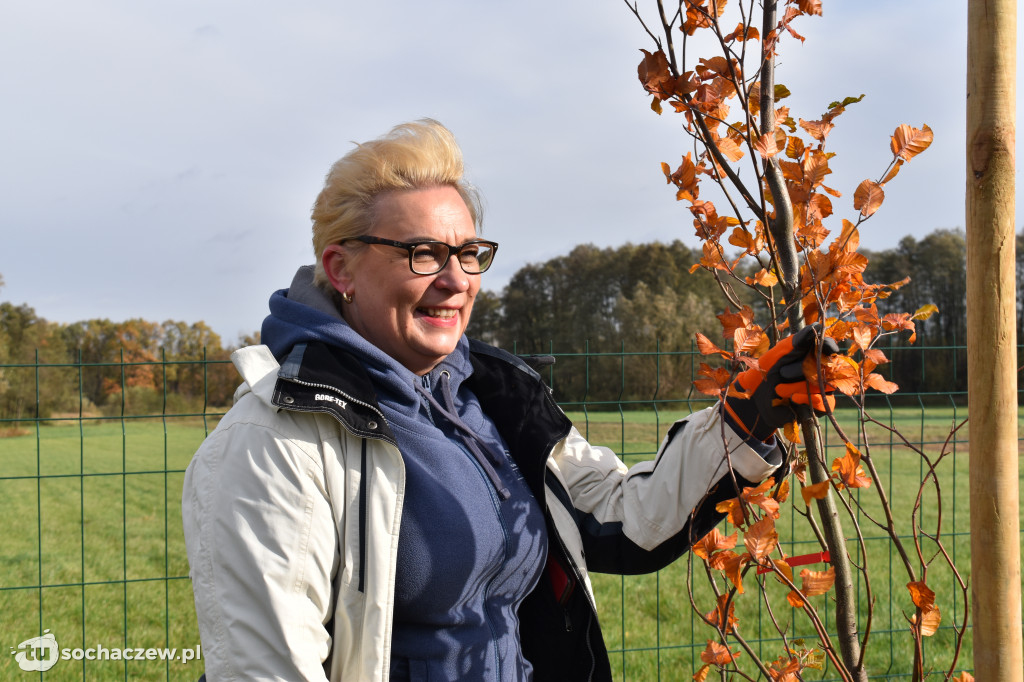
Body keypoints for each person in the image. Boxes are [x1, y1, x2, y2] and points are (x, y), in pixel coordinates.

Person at [181, 119, 835, 681]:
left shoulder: (491, 395)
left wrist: (742, 423)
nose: (455, 281)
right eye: (423, 254)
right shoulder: (280, 438)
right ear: (341, 269)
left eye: (469, 254)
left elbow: (619, 519)